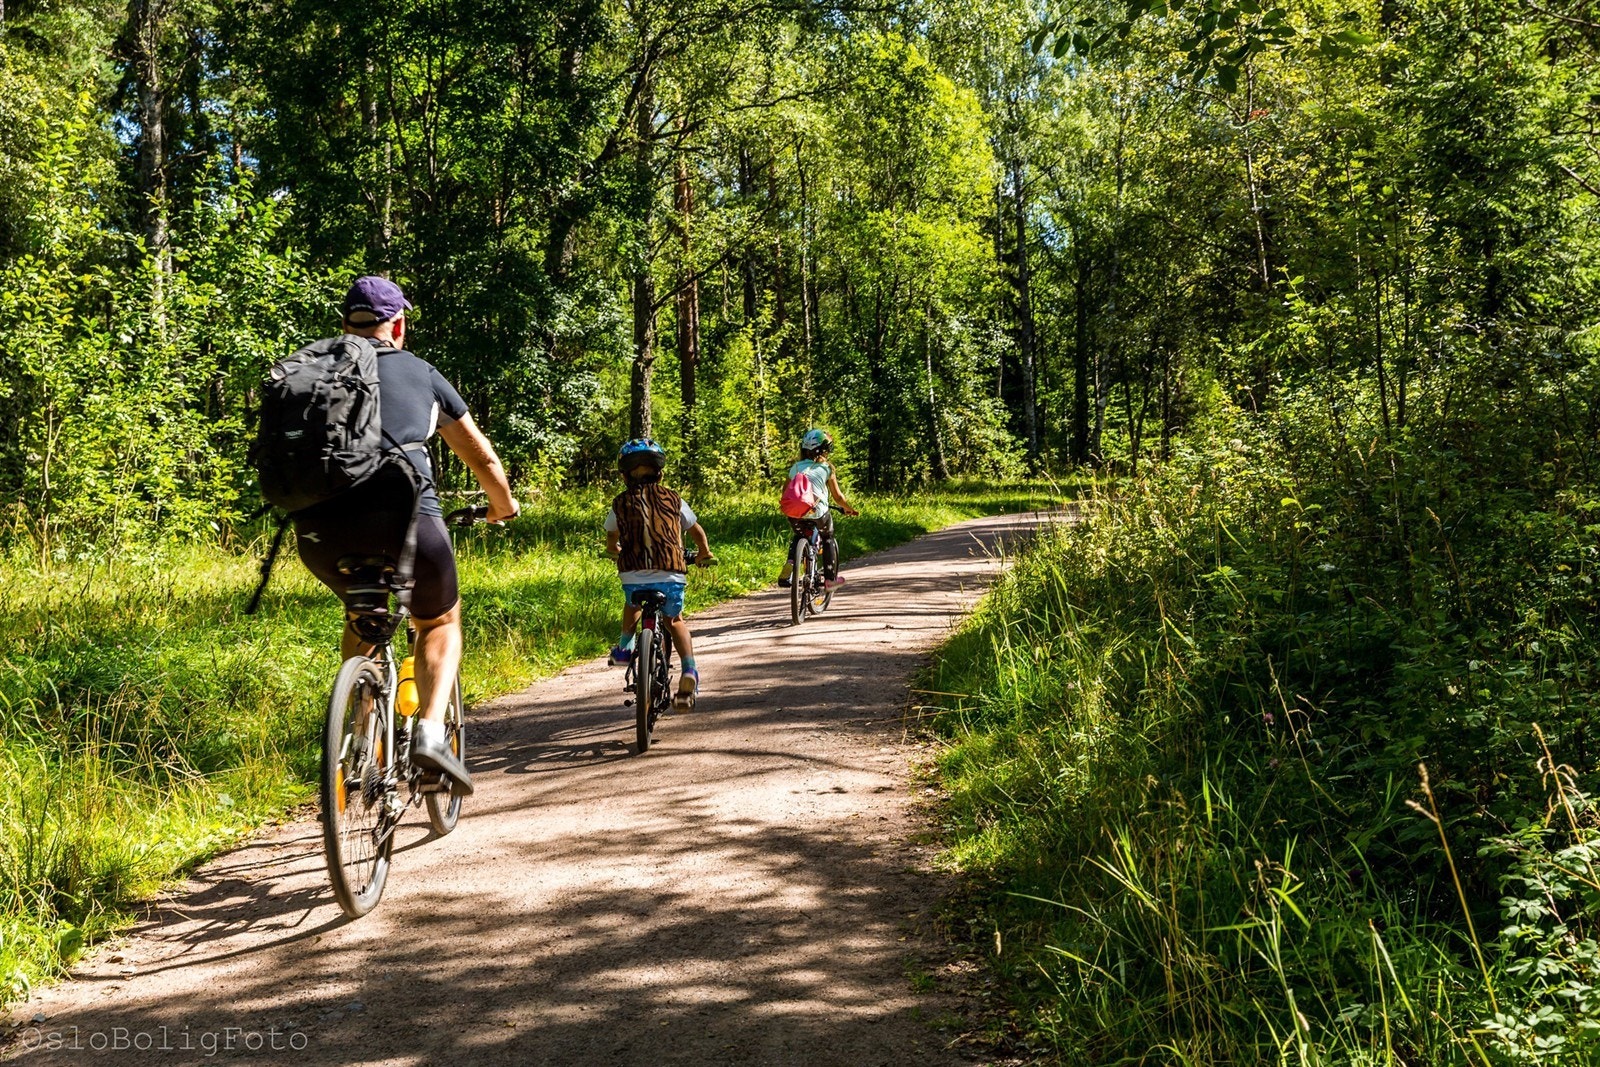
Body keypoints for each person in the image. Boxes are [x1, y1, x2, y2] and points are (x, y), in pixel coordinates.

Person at [292, 275, 518, 795]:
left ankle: (362, 738)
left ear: (345, 325)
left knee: (362, 613)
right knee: (439, 621)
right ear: (398, 324)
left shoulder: (312, 371)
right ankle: (432, 735)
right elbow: (481, 456)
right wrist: (502, 506)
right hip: (407, 522)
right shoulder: (420, 373)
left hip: (319, 532)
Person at [604, 438, 714, 709]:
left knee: (632, 604)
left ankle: (624, 646)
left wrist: (613, 549)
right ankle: (689, 670)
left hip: (632, 572)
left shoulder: (620, 503)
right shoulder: (673, 498)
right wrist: (704, 552)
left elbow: (611, 536)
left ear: (625, 474)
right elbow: (694, 529)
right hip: (671, 573)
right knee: (674, 620)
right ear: (660, 472)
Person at [778, 428, 859, 589]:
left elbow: (785, 492)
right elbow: (838, 497)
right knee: (827, 537)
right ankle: (830, 579)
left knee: (799, 534)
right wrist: (849, 508)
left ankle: (791, 562)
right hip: (817, 513)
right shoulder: (826, 468)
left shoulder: (796, 467)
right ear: (823, 450)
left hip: (795, 512)